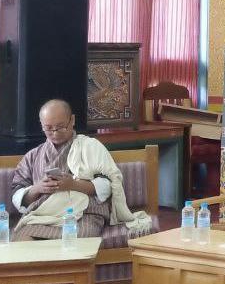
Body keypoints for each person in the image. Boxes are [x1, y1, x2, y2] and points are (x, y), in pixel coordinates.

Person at [10, 99, 150, 241]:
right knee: (22, 239)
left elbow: (109, 185)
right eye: (49, 128)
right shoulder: (33, 156)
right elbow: (17, 192)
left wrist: (73, 185)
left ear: (72, 120)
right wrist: (37, 188)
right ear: (41, 125)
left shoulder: (91, 147)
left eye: (60, 127)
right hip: (43, 215)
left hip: (85, 214)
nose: (55, 133)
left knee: (80, 238)